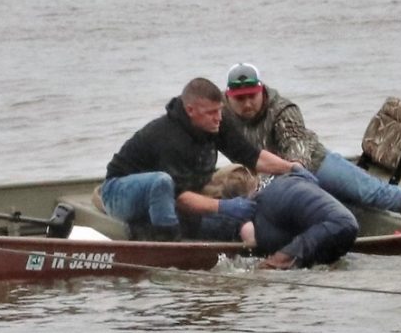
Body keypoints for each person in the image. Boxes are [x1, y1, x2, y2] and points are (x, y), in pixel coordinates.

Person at [101, 77, 358, 268]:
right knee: (162, 183)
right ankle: (166, 247)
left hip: (176, 195)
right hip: (121, 192)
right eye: (211, 113)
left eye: (220, 111)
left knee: (231, 215)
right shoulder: (168, 138)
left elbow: (252, 157)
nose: (218, 118)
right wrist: (224, 207)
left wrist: (291, 166)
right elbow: (179, 196)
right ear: (191, 111)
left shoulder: (216, 124)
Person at [222, 63, 401, 227]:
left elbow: (297, 151)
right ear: (228, 97)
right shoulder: (220, 115)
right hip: (269, 180)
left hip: (314, 164)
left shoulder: (283, 110)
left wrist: (288, 176)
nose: (247, 104)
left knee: (374, 194)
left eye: (251, 97)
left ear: (262, 91)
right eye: (240, 99)